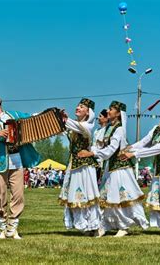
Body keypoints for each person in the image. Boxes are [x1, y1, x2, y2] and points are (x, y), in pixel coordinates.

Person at [0, 91, 41, 239]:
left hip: (17, 159)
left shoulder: (14, 115)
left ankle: (13, 226)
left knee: (18, 194)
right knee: (0, 195)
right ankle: (2, 226)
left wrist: (48, 114)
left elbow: (32, 118)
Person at [78, 100, 148, 237]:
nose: (108, 111)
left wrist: (92, 153)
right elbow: (102, 147)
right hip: (110, 168)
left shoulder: (120, 129)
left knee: (119, 197)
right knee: (105, 197)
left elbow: (111, 149)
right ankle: (104, 225)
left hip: (121, 169)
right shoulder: (109, 128)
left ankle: (124, 225)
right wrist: (89, 150)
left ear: (118, 114)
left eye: (111, 109)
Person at [59, 98, 102, 235]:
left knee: (87, 194)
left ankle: (94, 225)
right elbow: (62, 128)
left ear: (88, 113)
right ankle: (82, 225)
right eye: (77, 106)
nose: (77, 108)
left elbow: (75, 126)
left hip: (85, 166)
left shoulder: (88, 126)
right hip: (74, 165)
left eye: (81, 107)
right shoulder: (74, 126)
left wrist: (65, 119)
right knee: (74, 195)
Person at [93, 109, 109, 182]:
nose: (98, 118)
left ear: (106, 118)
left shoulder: (107, 130)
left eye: (100, 116)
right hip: (93, 156)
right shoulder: (96, 130)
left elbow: (104, 145)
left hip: (101, 158)